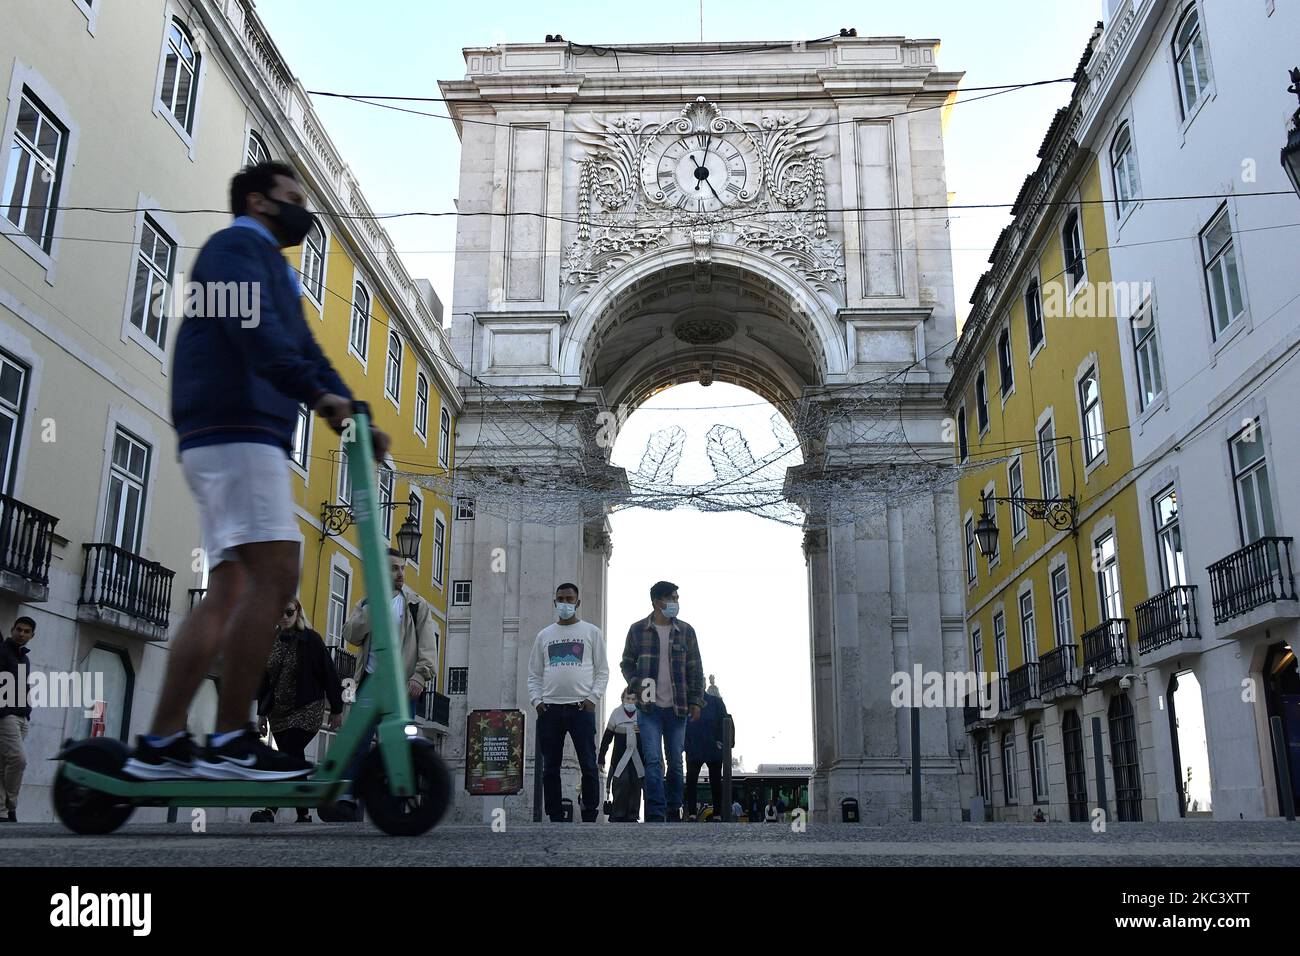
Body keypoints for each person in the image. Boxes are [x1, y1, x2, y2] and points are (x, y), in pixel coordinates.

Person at [125, 161, 389, 781]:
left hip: (231, 431)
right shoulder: (235, 248)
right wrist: (318, 398)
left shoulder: (273, 266)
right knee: (276, 574)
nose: (303, 210)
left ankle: (162, 743)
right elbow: (257, 335)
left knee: (231, 590)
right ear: (258, 200)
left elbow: (305, 349)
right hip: (237, 426)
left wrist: (347, 407)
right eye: (292, 199)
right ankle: (230, 740)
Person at [321, 548, 439, 821]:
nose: (400, 574)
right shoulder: (366, 603)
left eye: (402, 568)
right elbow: (350, 634)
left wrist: (420, 676)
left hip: (402, 686)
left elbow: (427, 647)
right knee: (357, 741)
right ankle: (347, 799)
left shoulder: (416, 605)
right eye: (394, 568)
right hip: (370, 683)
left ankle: (397, 804)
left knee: (398, 744)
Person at [250, 598, 344, 822]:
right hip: (278, 713)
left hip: (306, 708)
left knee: (287, 755)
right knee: (292, 758)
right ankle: (304, 814)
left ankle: (270, 809)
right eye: (279, 612)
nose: (283, 616)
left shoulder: (310, 639)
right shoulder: (272, 640)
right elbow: (264, 678)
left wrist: (337, 709)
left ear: (298, 612)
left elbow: (328, 672)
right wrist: (261, 713)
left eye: (288, 612)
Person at [620, 581, 705, 823]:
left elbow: (696, 669)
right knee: (653, 760)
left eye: (677, 598)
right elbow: (626, 662)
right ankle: (656, 811)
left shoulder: (687, 631)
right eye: (673, 598)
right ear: (658, 602)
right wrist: (635, 683)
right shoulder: (637, 630)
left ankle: (673, 808)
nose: (676, 603)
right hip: (648, 708)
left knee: (676, 762)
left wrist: (696, 701)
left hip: (678, 708)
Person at [528, 583, 607, 823]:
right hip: (549, 708)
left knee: (588, 764)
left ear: (578, 602)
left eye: (569, 599)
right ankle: (554, 814)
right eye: (560, 599)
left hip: (581, 708)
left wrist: (593, 699)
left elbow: (602, 670)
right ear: (554, 602)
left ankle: (591, 812)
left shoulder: (592, 632)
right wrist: (537, 701)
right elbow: (534, 674)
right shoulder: (544, 635)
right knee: (550, 766)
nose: (565, 603)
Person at [0, 617, 36, 821]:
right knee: (18, 759)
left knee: (3, 763)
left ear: (32, 635)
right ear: (12, 629)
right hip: (6, 714)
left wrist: (28, 710)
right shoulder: (2, 651)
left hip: (22, 715)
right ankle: (11, 805)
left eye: (26, 631)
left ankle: (2, 811)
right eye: (19, 630)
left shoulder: (24, 657)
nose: (21, 634)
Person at [685, 675, 728, 821]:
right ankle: (691, 813)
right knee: (691, 781)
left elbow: (725, 720)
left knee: (716, 781)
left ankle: (717, 813)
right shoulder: (687, 703)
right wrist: (686, 745)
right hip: (694, 748)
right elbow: (683, 724)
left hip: (713, 747)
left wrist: (720, 742)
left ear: (703, 685)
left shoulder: (716, 702)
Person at [598, 686, 644, 822]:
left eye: (633, 699)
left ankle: (633, 815)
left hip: (638, 760)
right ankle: (618, 814)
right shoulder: (616, 714)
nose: (630, 702)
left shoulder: (642, 714)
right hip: (619, 760)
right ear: (623, 699)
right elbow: (607, 738)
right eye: (627, 698)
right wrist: (601, 758)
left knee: (636, 785)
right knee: (621, 783)